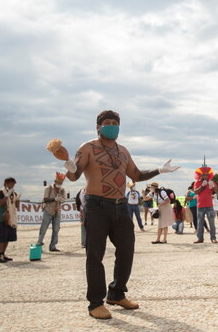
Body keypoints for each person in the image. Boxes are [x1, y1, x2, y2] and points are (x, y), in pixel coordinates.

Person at [63, 110, 180, 319]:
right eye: (107, 123)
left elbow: (136, 175)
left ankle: (116, 293)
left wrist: (159, 171)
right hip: (96, 205)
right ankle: (95, 303)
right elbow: (74, 176)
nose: (111, 126)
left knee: (127, 250)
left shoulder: (123, 151)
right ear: (98, 127)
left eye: (115, 123)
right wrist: (69, 165)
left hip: (121, 205)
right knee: (95, 254)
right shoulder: (87, 147)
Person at [36, 172, 67, 252]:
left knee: (56, 229)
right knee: (43, 228)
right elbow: (45, 200)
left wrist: (61, 200)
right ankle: (39, 244)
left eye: (61, 183)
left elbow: (63, 199)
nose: (59, 184)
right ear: (55, 181)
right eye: (58, 182)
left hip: (58, 211)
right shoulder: (48, 188)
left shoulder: (62, 190)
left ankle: (53, 246)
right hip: (48, 210)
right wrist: (54, 199)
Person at [0, 177, 20, 263]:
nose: (12, 185)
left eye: (13, 183)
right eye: (10, 183)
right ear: (6, 183)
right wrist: (6, 196)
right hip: (2, 218)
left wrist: (17, 200)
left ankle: (3, 254)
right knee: (1, 238)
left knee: (7, 237)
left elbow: (16, 206)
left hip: (11, 219)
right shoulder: (0, 193)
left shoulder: (14, 193)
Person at [193, 167, 218, 244]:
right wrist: (202, 186)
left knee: (212, 223)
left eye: (207, 175)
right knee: (200, 223)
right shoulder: (197, 182)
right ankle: (200, 238)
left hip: (209, 205)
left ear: (209, 175)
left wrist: (213, 186)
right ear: (200, 175)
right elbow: (196, 192)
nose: (205, 176)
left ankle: (213, 238)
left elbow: (217, 192)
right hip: (200, 205)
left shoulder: (211, 182)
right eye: (204, 175)